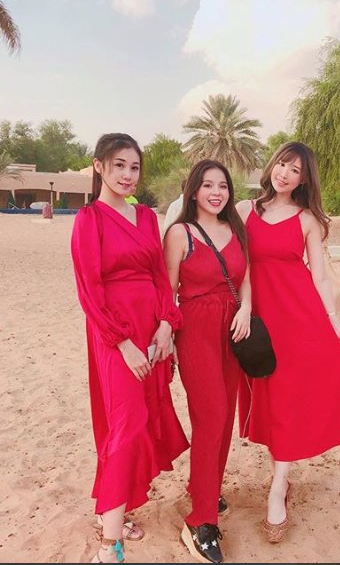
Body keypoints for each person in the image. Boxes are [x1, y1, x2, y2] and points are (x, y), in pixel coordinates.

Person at [236, 141, 340, 543]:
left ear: (304, 180)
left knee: (291, 397)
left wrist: (334, 322)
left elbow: (320, 276)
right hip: (257, 318)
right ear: (272, 165)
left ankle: (278, 487)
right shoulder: (244, 210)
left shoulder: (308, 220)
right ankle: (280, 476)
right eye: (282, 164)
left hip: (298, 317)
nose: (285, 174)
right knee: (269, 397)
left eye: (295, 170)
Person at [71, 133, 189, 563]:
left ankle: (113, 512)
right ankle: (109, 544)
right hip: (113, 334)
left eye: (134, 167)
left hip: (150, 328)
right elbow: (89, 289)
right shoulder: (89, 219)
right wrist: (123, 343)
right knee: (126, 421)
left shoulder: (145, 217)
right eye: (119, 165)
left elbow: (160, 276)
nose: (127, 175)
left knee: (138, 422)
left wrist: (166, 325)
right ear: (99, 166)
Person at [163, 159, 251, 563]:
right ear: (194, 190)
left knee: (225, 416)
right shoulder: (179, 233)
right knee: (211, 417)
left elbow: (246, 276)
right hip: (196, 329)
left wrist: (246, 308)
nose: (216, 193)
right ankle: (199, 521)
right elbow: (167, 291)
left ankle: (206, 488)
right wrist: (165, 334)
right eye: (208, 185)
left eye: (223, 186)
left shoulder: (235, 228)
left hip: (233, 328)